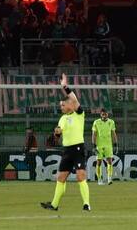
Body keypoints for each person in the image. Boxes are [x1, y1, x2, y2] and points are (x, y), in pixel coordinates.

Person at [41, 73, 91, 212]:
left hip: (78, 149)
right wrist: (56, 133)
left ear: (70, 104)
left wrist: (64, 86)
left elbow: (74, 98)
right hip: (67, 150)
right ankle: (54, 204)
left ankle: (86, 204)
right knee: (61, 177)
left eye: (63, 105)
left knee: (81, 176)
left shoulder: (79, 114)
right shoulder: (62, 119)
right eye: (60, 105)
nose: (61, 107)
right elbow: (58, 136)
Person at [92, 108, 118, 185]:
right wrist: (93, 145)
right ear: (101, 114)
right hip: (99, 145)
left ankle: (109, 178)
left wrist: (116, 144)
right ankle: (99, 179)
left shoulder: (111, 122)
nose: (104, 115)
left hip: (108, 145)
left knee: (109, 161)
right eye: (103, 114)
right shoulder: (96, 122)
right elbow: (94, 134)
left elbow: (113, 133)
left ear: (107, 114)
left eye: (105, 114)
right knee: (99, 162)